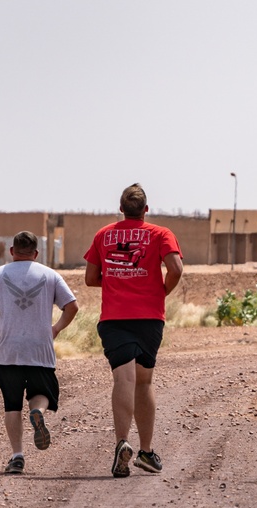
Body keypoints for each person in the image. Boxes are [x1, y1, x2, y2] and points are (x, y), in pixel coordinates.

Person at [85, 183, 183, 478]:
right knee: (143, 382)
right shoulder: (161, 234)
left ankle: (121, 442)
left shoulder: (103, 235)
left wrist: (117, 280)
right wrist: (160, 291)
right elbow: (176, 269)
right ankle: (147, 452)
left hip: (114, 318)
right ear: (146, 209)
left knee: (123, 379)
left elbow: (90, 278)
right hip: (149, 318)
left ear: (121, 208)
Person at [0, 231, 79, 474]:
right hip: (40, 350)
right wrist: (56, 329)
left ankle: (17, 456)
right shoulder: (50, 275)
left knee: (11, 405)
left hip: (8, 352)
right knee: (42, 393)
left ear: (12, 251)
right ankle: (37, 412)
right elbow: (72, 306)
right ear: (36, 253)